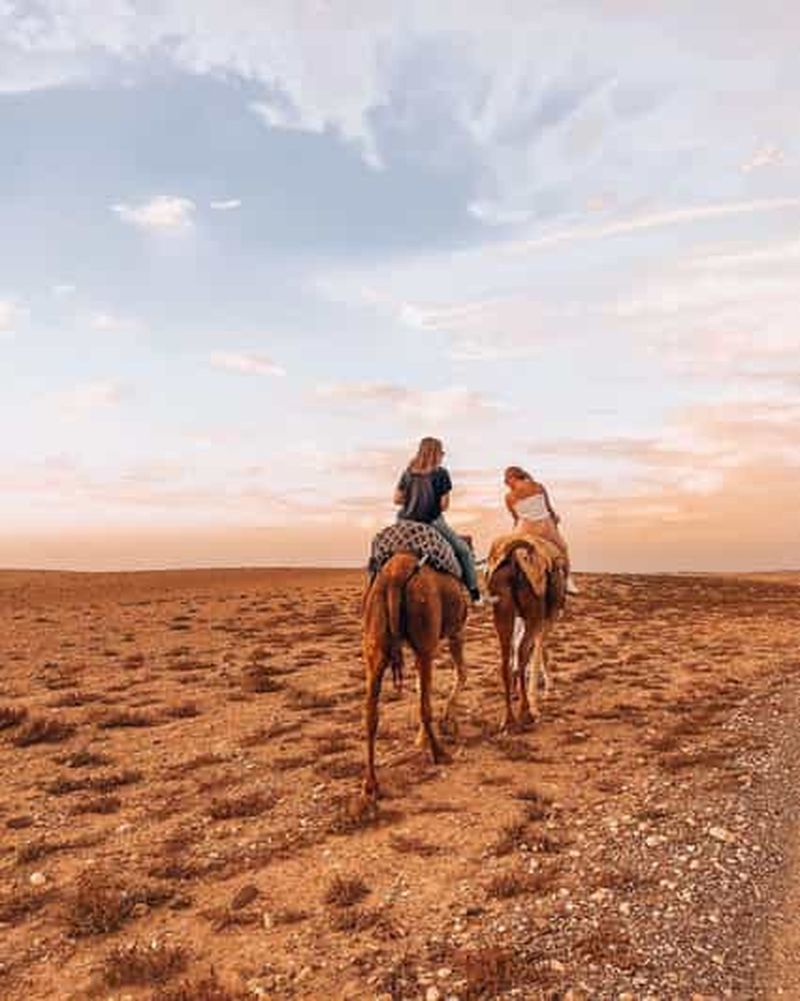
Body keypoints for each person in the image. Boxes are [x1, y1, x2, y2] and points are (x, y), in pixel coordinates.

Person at [394, 437, 487, 604]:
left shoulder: (408, 472)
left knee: (383, 552)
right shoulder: (440, 473)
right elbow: (444, 506)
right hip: (431, 522)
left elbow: (397, 499)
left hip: (404, 523)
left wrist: (413, 498)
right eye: (441, 453)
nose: (442, 456)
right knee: (464, 551)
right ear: (436, 453)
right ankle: (475, 594)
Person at [503, 465, 580, 595]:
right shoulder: (538, 486)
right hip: (545, 526)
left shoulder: (509, 497)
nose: (505, 483)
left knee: (506, 550)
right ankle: (568, 580)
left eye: (506, 479)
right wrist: (555, 519)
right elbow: (549, 508)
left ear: (513, 477)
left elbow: (516, 518)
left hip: (525, 528)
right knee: (563, 548)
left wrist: (513, 532)